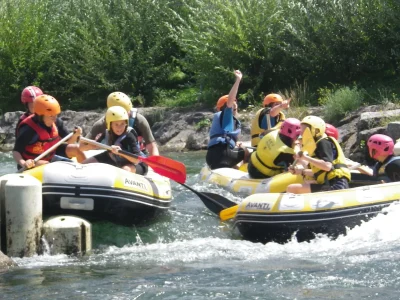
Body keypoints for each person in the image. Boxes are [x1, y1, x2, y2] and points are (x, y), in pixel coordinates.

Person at [13, 94, 83, 170]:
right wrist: (24, 163)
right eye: (51, 116)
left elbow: (70, 142)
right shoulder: (29, 129)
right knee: (46, 164)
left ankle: (86, 171)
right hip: (33, 161)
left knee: (76, 148)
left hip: (50, 155)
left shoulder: (57, 122)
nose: (54, 118)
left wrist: (76, 135)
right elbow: (16, 151)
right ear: (40, 115)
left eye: (56, 115)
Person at [286, 116, 351, 194]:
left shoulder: (323, 142)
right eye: (301, 129)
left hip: (337, 184)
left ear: (316, 131)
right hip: (329, 183)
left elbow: (327, 166)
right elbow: (319, 172)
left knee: (292, 188)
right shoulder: (315, 146)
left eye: (304, 130)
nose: (301, 133)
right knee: (306, 183)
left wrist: (305, 158)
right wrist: (300, 171)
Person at [85, 92, 159, 156]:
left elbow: (151, 145)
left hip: (136, 157)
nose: (128, 114)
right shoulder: (102, 124)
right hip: (112, 156)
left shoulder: (139, 120)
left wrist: (156, 163)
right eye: (125, 112)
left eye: (128, 110)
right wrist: (91, 145)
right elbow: (84, 144)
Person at [81, 106, 148, 175]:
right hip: (114, 158)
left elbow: (136, 160)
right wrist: (91, 144)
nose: (119, 128)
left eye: (122, 124)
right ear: (110, 124)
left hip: (135, 164)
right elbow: (82, 148)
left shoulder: (129, 136)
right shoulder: (107, 133)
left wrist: (120, 152)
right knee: (84, 164)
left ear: (126, 123)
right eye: (116, 124)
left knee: (125, 170)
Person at [206, 70, 250, 170]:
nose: (235, 104)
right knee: (245, 150)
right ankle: (247, 172)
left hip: (210, 157)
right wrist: (238, 80)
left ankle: (234, 169)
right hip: (223, 155)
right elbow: (230, 100)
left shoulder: (225, 119)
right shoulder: (226, 115)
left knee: (238, 150)